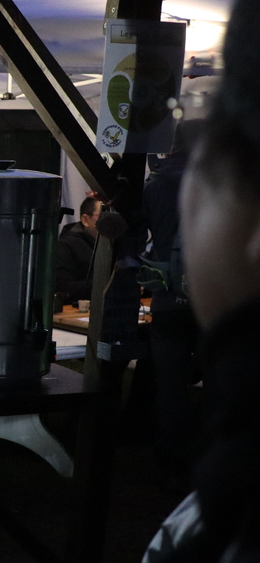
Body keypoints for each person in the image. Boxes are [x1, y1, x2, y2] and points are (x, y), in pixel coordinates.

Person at [66, 1, 260, 563]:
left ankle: (173, 455)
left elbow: (139, 241)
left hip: (172, 300)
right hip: (198, 304)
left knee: (172, 376)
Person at [140, 121, 206, 482]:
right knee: (222, 382)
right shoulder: (223, 181)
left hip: (167, 297)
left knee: (170, 386)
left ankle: (169, 463)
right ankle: (214, 461)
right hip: (214, 300)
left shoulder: (155, 184)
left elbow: (136, 238)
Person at [54, 196, 101, 305]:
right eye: (102, 215)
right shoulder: (66, 246)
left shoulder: (116, 244)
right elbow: (62, 288)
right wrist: (104, 286)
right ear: (85, 220)